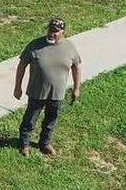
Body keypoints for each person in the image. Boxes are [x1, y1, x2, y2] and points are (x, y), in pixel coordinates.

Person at [13, 18, 82, 157]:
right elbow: (21, 66)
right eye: (50, 30)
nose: (51, 33)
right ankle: (24, 144)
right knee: (30, 119)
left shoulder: (70, 47)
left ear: (63, 32)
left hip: (57, 94)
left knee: (51, 120)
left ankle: (45, 143)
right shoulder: (35, 45)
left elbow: (76, 67)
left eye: (55, 31)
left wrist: (76, 88)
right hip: (37, 92)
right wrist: (17, 87)